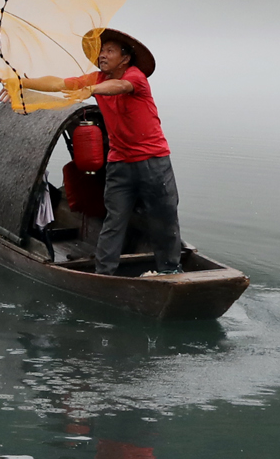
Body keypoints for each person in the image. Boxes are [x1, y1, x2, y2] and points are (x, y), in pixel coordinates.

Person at [14, 28, 182, 277]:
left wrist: (91, 90)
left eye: (110, 51)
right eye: (101, 51)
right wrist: (23, 82)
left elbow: (121, 86)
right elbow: (59, 83)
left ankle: (170, 271)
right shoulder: (97, 78)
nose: (102, 55)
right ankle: (104, 274)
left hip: (153, 162)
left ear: (125, 58)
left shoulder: (134, 77)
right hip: (119, 164)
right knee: (113, 222)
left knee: (164, 218)